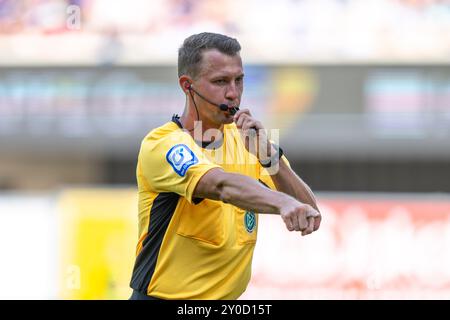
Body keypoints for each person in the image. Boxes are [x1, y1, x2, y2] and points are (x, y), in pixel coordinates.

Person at [129, 32, 321, 300]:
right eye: (220, 82)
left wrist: (271, 158)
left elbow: (310, 212)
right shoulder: (163, 144)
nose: (233, 94)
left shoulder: (250, 141)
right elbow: (220, 185)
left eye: (238, 80)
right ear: (188, 85)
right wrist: (281, 202)